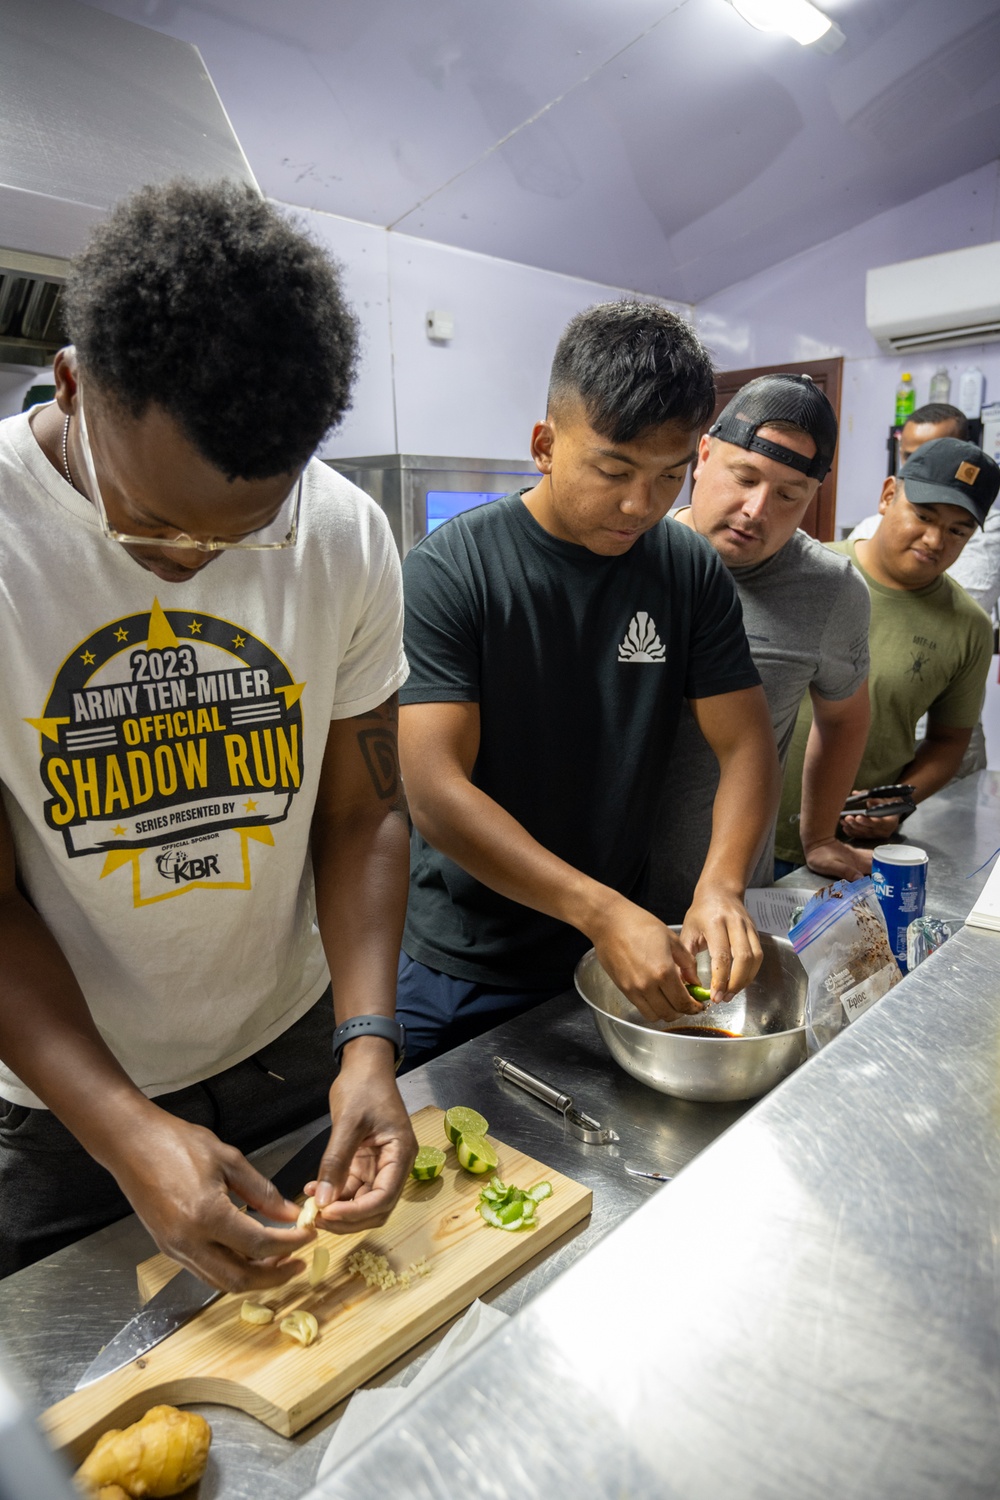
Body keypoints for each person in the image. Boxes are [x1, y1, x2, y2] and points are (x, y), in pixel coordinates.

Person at [0, 181, 416, 1285]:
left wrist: (366, 1036)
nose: (190, 561)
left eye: (246, 533)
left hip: (289, 1048)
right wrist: (125, 1129)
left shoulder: (343, 533)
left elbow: (364, 806)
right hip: (57, 1096)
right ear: (76, 385)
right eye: (148, 519)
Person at [395, 301, 782, 1071]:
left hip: (615, 956)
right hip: (464, 959)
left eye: (669, 477)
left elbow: (746, 746)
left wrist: (721, 886)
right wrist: (600, 909)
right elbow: (435, 788)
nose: (641, 504)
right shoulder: (453, 568)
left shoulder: (686, 569)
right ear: (545, 445)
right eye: (613, 470)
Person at [647, 375, 872, 924]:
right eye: (743, 477)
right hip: (593, 898)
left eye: (789, 496)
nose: (755, 509)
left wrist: (818, 833)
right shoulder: (631, 543)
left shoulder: (831, 591)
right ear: (703, 454)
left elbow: (844, 719)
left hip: (728, 906)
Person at [775, 437, 998, 861]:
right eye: (923, 515)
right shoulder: (805, 572)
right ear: (888, 496)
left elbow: (949, 740)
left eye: (957, 530)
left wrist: (898, 802)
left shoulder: (969, 627)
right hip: (743, 826)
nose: (935, 539)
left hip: (850, 844)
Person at [849, 403, 999, 775]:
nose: (935, 539)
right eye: (910, 456)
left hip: (934, 725)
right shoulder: (863, 536)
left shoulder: (986, 531)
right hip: (864, 731)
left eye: (957, 531)